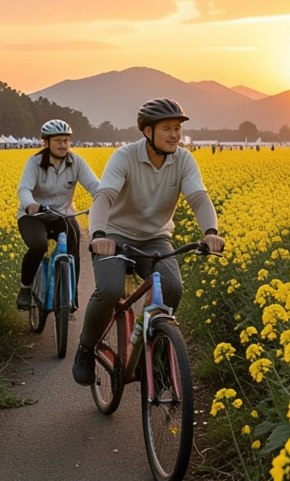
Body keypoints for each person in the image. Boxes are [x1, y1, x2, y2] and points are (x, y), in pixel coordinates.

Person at [72, 99, 225, 385]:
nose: (174, 135)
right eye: (167, 128)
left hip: (155, 238)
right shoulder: (125, 156)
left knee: (171, 286)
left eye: (177, 128)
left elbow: (199, 198)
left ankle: (150, 355)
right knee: (110, 289)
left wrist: (210, 232)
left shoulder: (183, 160)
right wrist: (98, 236)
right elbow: (103, 197)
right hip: (115, 235)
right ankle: (86, 348)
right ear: (147, 132)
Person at [15, 119, 100, 310]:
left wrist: (106, 198)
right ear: (46, 142)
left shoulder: (76, 162)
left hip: (62, 215)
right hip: (34, 216)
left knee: (73, 245)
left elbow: (94, 185)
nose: (63, 145)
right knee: (39, 245)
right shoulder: (35, 162)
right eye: (58, 141)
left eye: (66, 140)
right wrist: (30, 204)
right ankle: (25, 288)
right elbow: (24, 189)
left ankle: (70, 297)